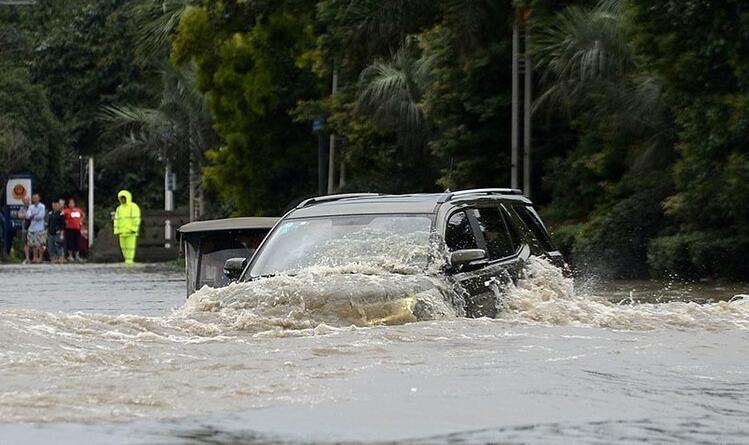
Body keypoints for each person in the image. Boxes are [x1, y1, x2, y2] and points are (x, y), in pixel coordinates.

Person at [114, 190, 141, 264]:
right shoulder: (119, 208)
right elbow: (116, 220)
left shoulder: (133, 207)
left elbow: (136, 218)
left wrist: (134, 229)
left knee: (130, 248)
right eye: (121, 198)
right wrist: (116, 230)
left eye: (124, 198)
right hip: (122, 232)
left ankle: (129, 261)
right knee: (124, 248)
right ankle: (127, 261)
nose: (123, 200)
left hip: (131, 232)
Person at [25, 193, 47, 263]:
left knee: (40, 244)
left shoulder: (42, 206)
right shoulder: (31, 207)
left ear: (39, 198)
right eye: (33, 198)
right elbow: (27, 216)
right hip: (32, 228)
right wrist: (33, 215)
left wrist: (32, 216)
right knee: (33, 245)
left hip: (40, 228)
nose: (35, 199)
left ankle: (40, 258)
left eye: (36, 198)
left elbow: (41, 216)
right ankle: (34, 258)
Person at [63, 198, 85, 263]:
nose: (71, 204)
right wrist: (65, 221)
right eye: (70, 203)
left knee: (77, 242)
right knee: (70, 242)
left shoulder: (78, 210)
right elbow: (62, 216)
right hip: (69, 228)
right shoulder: (66, 210)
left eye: (72, 203)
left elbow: (83, 215)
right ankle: (70, 256)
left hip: (77, 228)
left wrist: (81, 221)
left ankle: (77, 256)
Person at [17, 195, 30, 264]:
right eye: (25, 200)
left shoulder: (32, 207)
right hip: (25, 228)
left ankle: (35, 258)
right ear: (23, 201)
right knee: (26, 243)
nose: (26, 201)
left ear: (29, 200)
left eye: (27, 200)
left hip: (33, 228)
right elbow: (19, 215)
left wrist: (25, 215)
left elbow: (33, 216)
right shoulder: (22, 208)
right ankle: (27, 258)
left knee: (35, 244)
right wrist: (26, 215)